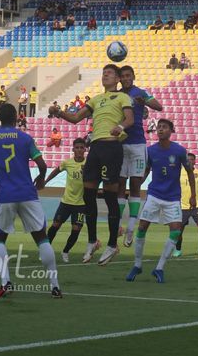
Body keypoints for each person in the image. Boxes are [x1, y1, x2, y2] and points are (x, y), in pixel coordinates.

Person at [48, 64, 133, 265]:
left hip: (112, 147)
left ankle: (112, 244)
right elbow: (76, 118)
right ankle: (93, 241)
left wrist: (120, 126)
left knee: (111, 197)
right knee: (88, 196)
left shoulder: (122, 97)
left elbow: (130, 119)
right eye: (104, 73)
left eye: (110, 73)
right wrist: (59, 112)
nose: (105, 76)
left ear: (118, 79)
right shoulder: (96, 99)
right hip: (94, 149)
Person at [0, 103, 61, 298]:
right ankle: (54, 285)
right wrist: (40, 178)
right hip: (28, 194)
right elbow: (42, 164)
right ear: (15, 117)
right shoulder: (25, 138)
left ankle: (5, 282)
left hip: (5, 195)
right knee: (42, 238)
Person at [125, 119, 195, 284]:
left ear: (171, 131)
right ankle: (137, 265)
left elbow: (190, 172)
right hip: (154, 195)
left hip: (172, 198)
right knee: (142, 227)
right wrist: (136, 187)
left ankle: (159, 268)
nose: (161, 129)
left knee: (176, 231)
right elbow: (146, 170)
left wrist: (192, 195)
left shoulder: (179, 151)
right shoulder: (150, 151)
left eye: (164, 127)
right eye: (159, 127)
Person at [119, 65, 163, 247]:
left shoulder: (141, 92)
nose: (126, 78)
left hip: (137, 143)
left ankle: (130, 227)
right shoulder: (118, 94)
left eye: (128, 76)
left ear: (133, 77)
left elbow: (159, 106)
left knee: (135, 185)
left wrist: (143, 101)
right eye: (123, 76)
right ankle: (118, 225)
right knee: (120, 184)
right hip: (120, 143)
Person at [44, 138, 87, 263]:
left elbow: (96, 179)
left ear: (85, 149)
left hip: (81, 204)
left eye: (81, 147)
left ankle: (65, 251)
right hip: (66, 202)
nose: (79, 150)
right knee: (55, 226)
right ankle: (46, 251)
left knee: (76, 229)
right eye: (77, 147)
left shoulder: (89, 164)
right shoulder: (67, 163)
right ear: (73, 149)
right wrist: (45, 181)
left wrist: (87, 173)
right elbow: (56, 171)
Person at [173, 152, 198, 258]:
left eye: (191, 159)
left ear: (195, 161)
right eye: (187, 159)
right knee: (179, 231)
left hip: (196, 205)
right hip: (182, 206)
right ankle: (178, 250)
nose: (189, 161)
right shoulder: (179, 172)